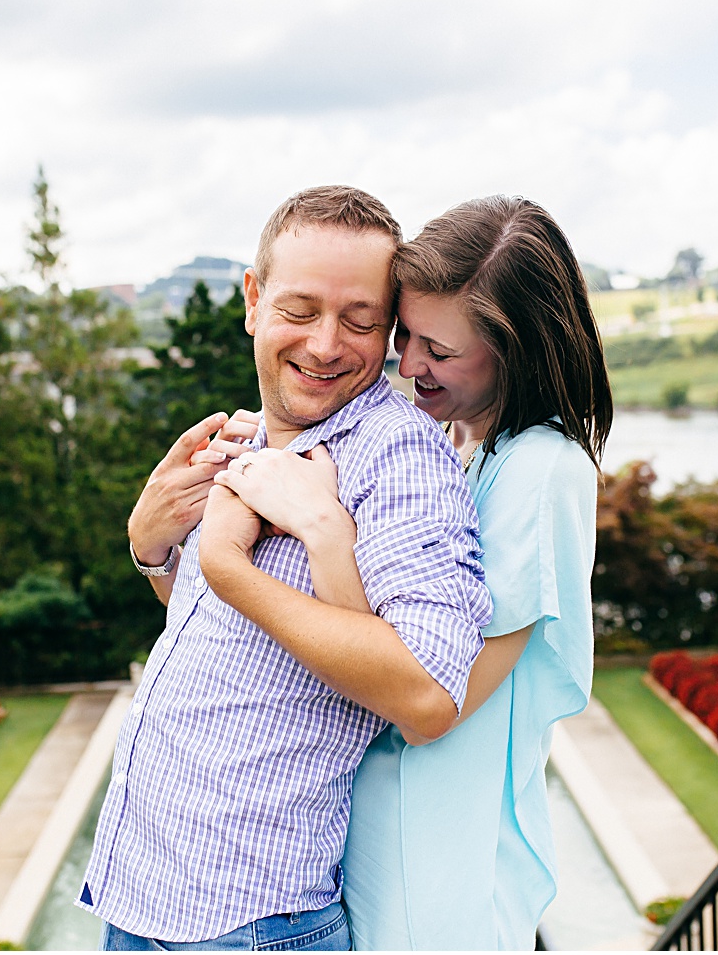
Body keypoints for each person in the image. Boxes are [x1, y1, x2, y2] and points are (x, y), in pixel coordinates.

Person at [78, 185, 493, 951]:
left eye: (362, 320)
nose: (328, 344)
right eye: (300, 311)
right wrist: (150, 548)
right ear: (253, 298)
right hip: (145, 903)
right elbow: (232, 647)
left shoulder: (395, 454)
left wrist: (225, 559)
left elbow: (428, 694)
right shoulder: (248, 441)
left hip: (250, 924)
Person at [213, 195, 611, 949]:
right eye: (404, 335)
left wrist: (324, 529)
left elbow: (429, 701)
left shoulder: (542, 472)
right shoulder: (464, 448)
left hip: (434, 869)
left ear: (516, 348)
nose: (408, 364)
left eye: (441, 349)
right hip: (373, 846)